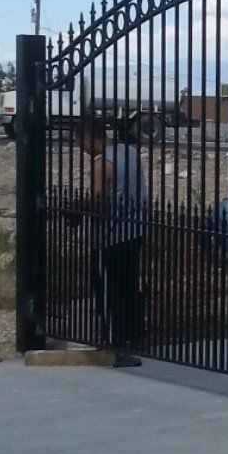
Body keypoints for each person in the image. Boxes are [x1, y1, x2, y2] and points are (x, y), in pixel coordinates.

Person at [79, 114, 148, 361]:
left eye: (80, 143)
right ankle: (134, 336)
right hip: (136, 229)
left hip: (110, 236)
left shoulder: (101, 164)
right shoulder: (129, 152)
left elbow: (99, 202)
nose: (81, 149)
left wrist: (77, 210)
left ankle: (113, 342)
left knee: (108, 290)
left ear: (88, 138)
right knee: (129, 285)